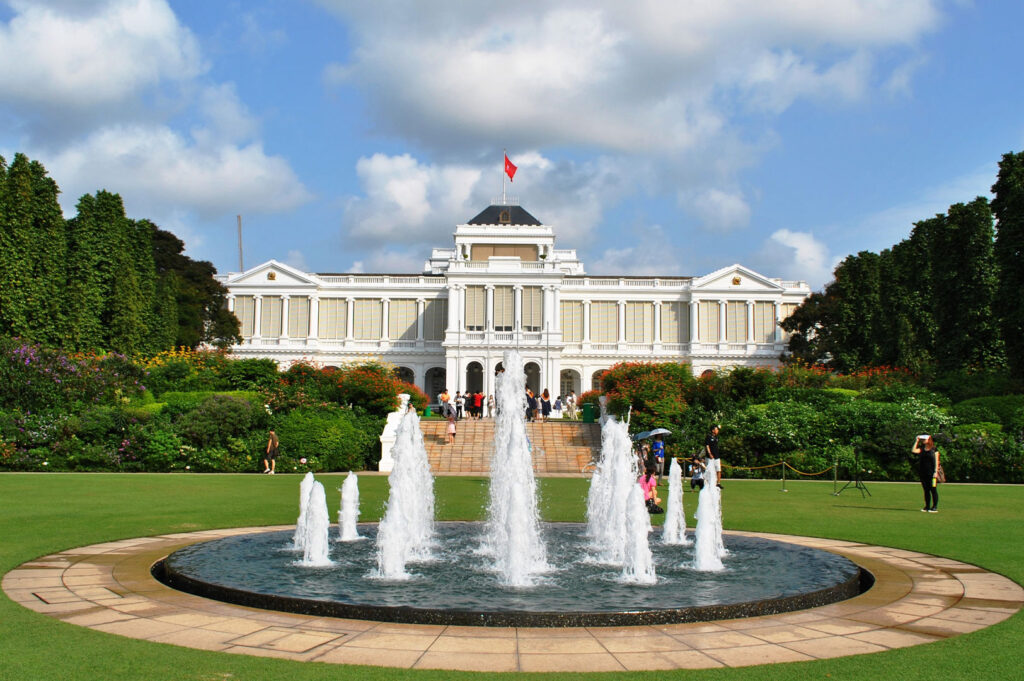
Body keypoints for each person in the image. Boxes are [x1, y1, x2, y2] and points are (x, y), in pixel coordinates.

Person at [912, 434, 940, 512]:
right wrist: (916, 441)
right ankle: (927, 506)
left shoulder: (934, 449)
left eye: (925, 439)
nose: (923, 441)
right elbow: (913, 450)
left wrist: (935, 471)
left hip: (932, 473)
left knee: (933, 489)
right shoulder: (922, 449)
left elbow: (937, 461)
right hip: (923, 472)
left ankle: (934, 507)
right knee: (926, 490)